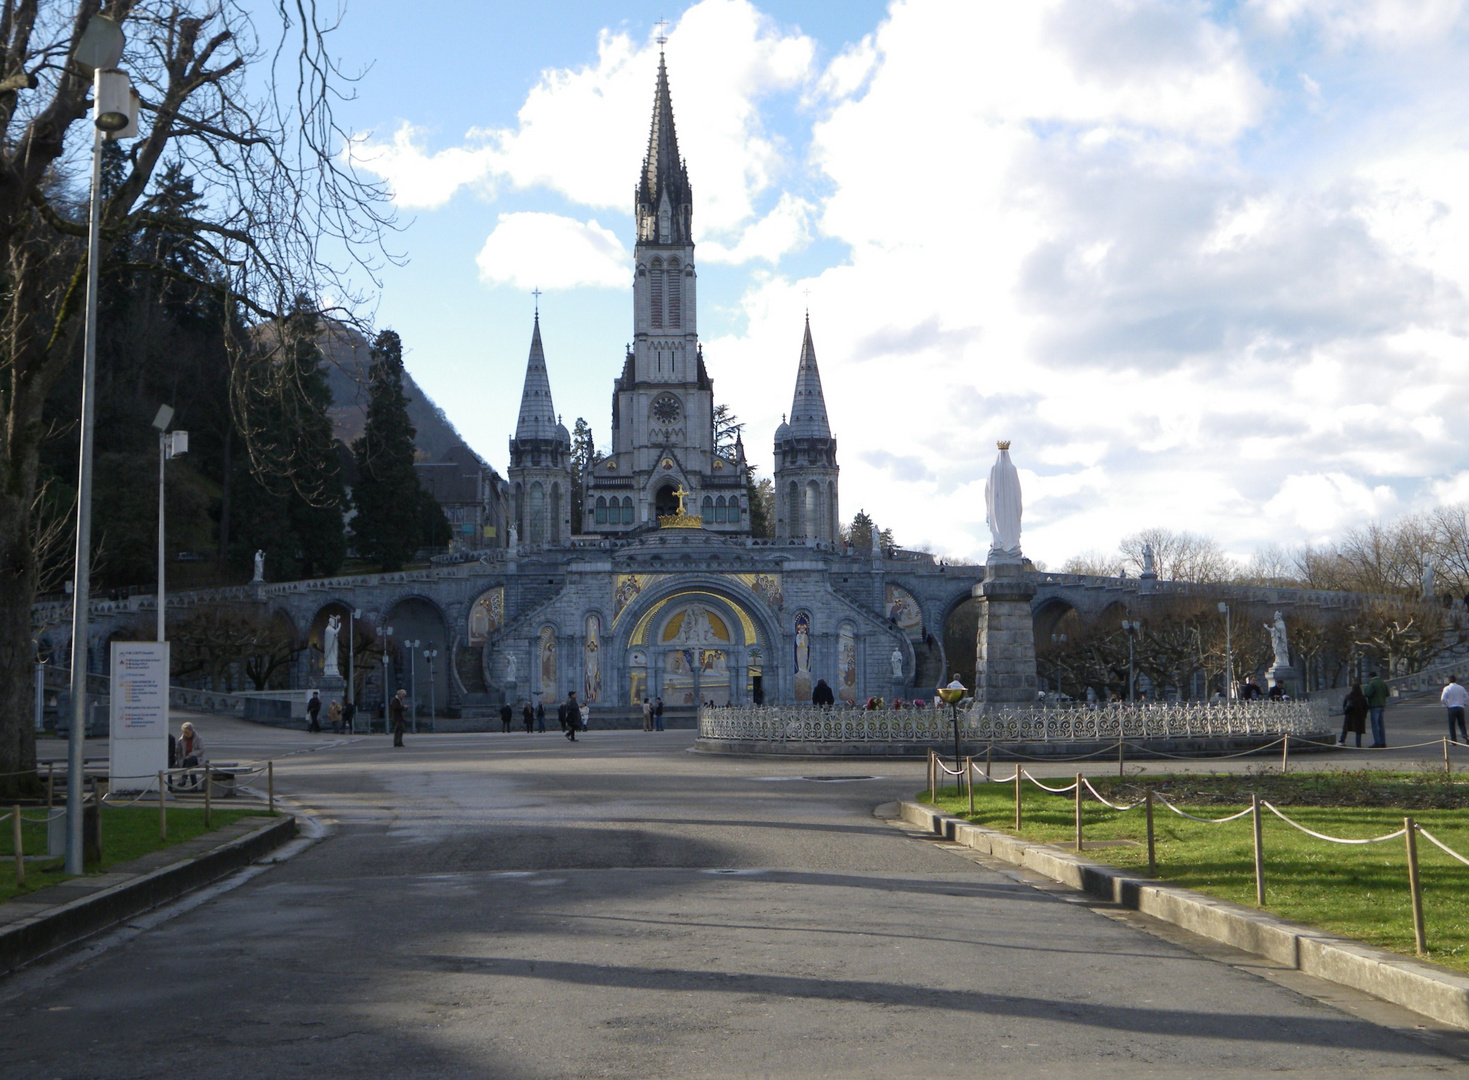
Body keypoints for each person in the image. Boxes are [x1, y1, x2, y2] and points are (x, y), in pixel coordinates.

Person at [1364, 670, 1390, 747]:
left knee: (1375, 725)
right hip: (1382, 704)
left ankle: (1377, 742)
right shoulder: (1382, 682)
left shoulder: (1372, 683)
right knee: (1381, 724)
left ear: (1370, 676)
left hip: (1374, 705)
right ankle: (1383, 742)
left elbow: (1367, 693)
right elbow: (1387, 693)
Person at [176, 721, 205, 788]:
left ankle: (184, 778)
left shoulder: (199, 739)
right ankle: (194, 786)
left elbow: (201, 750)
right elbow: (178, 752)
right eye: (185, 733)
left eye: (188, 733)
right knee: (190, 765)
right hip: (185, 761)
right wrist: (180, 760)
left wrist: (190, 754)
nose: (186, 734)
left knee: (190, 759)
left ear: (192, 731)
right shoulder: (180, 740)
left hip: (197, 759)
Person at [1442, 676, 1469, 744]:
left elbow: (1443, 699)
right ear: (1456, 680)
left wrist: (1446, 705)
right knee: (1461, 723)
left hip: (1451, 707)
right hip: (1460, 707)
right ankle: (1465, 735)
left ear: (1449, 681)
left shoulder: (1447, 688)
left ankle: (1453, 740)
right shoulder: (1461, 688)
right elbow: (1466, 697)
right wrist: (1464, 703)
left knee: (1451, 724)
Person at [1340, 683, 1368, 747]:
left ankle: (1342, 740)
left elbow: (1344, 705)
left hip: (1350, 716)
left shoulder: (1349, 696)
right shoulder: (1362, 697)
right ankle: (1358, 745)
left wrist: (1345, 712)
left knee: (1345, 729)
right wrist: (1364, 715)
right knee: (1358, 731)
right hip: (1359, 717)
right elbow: (1366, 707)